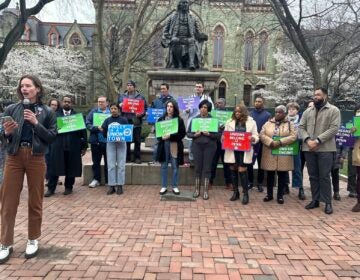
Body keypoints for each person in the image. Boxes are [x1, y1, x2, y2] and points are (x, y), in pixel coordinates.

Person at [0, 75, 57, 263]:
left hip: (36, 157)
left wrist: (35, 123)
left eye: (28, 85)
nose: (24, 89)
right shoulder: (11, 109)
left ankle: (33, 239)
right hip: (14, 157)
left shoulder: (47, 111)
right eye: (22, 86)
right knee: (8, 202)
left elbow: (51, 137)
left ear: (37, 89)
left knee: (35, 200)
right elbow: (4, 136)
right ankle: (5, 242)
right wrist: (6, 133)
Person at [299, 87, 341, 215]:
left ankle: (327, 202)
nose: (315, 96)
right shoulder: (308, 111)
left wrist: (317, 140)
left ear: (325, 96)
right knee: (312, 176)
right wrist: (307, 140)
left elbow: (334, 128)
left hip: (325, 149)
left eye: (318, 94)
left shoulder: (334, 110)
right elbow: (301, 127)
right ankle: (315, 200)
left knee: (324, 176)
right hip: (308, 148)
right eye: (314, 95)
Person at [45, 95, 88, 197]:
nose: (66, 103)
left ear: (72, 103)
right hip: (58, 145)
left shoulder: (77, 116)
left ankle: (69, 187)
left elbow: (83, 132)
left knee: (71, 167)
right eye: (65, 101)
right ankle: (51, 188)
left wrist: (84, 146)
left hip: (73, 146)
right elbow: (49, 130)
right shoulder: (55, 115)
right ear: (62, 102)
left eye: (69, 102)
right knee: (54, 167)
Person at [260, 105, 297, 204]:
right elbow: (262, 134)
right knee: (270, 175)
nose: (277, 114)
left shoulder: (290, 124)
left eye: (280, 112)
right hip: (270, 151)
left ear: (284, 113)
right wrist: (270, 142)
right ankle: (269, 194)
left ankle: (280, 196)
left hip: (283, 152)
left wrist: (280, 142)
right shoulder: (268, 123)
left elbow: (294, 136)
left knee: (282, 175)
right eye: (276, 112)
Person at [223, 105, 259, 204]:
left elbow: (256, 135)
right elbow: (225, 134)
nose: (237, 113)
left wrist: (253, 139)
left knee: (242, 170)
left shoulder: (251, 122)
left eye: (239, 112)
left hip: (244, 150)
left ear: (244, 112)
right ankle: (236, 192)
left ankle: (246, 194)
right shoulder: (229, 122)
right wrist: (223, 137)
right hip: (232, 149)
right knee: (233, 170)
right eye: (235, 112)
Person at [161, 0, 208, 70]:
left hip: (188, 39)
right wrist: (169, 38)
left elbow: (197, 33)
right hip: (176, 39)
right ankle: (178, 63)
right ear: (179, 5)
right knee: (174, 40)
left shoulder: (193, 18)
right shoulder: (172, 17)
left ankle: (191, 63)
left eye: (186, 3)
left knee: (192, 41)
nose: (185, 4)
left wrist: (203, 36)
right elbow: (165, 31)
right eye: (183, 3)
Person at [187, 100, 219, 200]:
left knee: (207, 168)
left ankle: (205, 190)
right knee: (198, 168)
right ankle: (197, 189)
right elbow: (188, 134)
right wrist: (194, 135)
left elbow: (218, 135)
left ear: (208, 109)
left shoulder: (213, 120)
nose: (203, 109)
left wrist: (209, 134)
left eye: (205, 107)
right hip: (197, 146)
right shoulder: (194, 120)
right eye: (201, 107)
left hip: (209, 147)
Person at [156, 100, 186, 195]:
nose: (169, 108)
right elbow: (157, 134)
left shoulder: (179, 120)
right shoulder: (161, 119)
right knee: (164, 166)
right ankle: (164, 186)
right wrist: (161, 137)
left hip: (174, 145)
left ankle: (175, 186)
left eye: (171, 106)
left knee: (175, 166)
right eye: (168, 106)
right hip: (164, 145)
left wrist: (171, 136)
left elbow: (182, 134)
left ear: (175, 108)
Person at [101, 103, 128, 195]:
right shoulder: (107, 120)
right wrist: (108, 134)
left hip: (121, 143)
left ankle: (120, 185)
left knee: (121, 165)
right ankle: (111, 185)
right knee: (111, 165)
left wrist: (121, 137)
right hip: (111, 144)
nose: (113, 110)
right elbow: (104, 133)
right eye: (111, 108)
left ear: (118, 110)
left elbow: (127, 132)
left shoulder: (123, 120)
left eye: (115, 108)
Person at [118, 80, 148, 164]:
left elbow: (145, 109)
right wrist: (119, 105)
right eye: (128, 85)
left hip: (136, 121)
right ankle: (126, 157)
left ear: (134, 87)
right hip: (125, 121)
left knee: (137, 141)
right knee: (126, 141)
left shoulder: (140, 97)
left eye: (131, 85)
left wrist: (141, 114)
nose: (129, 86)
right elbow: (116, 107)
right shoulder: (122, 96)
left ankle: (137, 158)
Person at [185, 82, 214, 166]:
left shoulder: (207, 98)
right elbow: (186, 110)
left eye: (200, 87)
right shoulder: (190, 98)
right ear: (195, 88)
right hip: (194, 122)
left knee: (203, 140)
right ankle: (191, 160)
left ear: (203, 88)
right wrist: (187, 110)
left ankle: (202, 161)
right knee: (191, 143)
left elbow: (212, 110)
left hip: (205, 123)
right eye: (196, 87)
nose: (198, 88)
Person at [247, 96, 271, 192]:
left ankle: (260, 183)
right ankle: (250, 182)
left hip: (262, 143)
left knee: (261, 164)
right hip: (251, 142)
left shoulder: (267, 115)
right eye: (256, 101)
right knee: (249, 163)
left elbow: (268, 129)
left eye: (259, 101)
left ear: (263, 103)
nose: (257, 103)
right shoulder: (250, 114)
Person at [86, 96, 110, 188]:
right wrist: (96, 128)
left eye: (102, 102)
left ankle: (108, 180)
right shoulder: (93, 112)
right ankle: (96, 179)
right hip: (96, 141)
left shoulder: (110, 112)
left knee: (108, 162)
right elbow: (87, 123)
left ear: (106, 103)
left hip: (107, 142)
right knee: (96, 162)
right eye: (99, 102)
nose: (100, 103)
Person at [210, 98, 232, 189]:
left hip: (225, 142)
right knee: (213, 163)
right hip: (215, 141)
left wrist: (225, 127)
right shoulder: (212, 114)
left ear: (224, 104)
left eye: (220, 103)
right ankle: (210, 182)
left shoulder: (230, 116)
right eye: (217, 103)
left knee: (226, 162)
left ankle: (229, 182)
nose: (218, 104)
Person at [150, 83, 174, 164]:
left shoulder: (172, 100)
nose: (162, 90)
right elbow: (151, 112)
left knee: (169, 143)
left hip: (169, 124)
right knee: (157, 143)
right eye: (161, 89)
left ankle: (170, 160)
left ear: (168, 89)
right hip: (158, 125)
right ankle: (155, 159)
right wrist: (149, 115)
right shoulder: (156, 101)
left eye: (164, 88)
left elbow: (176, 112)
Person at [286, 102, 305, 200]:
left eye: (293, 109)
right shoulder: (284, 120)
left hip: (297, 145)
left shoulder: (301, 120)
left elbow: (303, 133)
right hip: (285, 145)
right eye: (289, 109)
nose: (291, 111)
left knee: (297, 168)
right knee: (284, 166)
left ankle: (300, 188)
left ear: (297, 110)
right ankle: (285, 186)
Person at [45, 98, 60, 184]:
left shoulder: (59, 115)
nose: (53, 106)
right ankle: (48, 178)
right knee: (47, 160)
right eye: (52, 105)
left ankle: (55, 178)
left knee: (56, 160)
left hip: (56, 140)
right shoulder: (45, 114)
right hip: (47, 140)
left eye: (55, 105)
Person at [350, 105, 360, 212]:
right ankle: (359, 201)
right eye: (357, 111)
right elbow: (347, 140)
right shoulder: (352, 124)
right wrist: (352, 131)